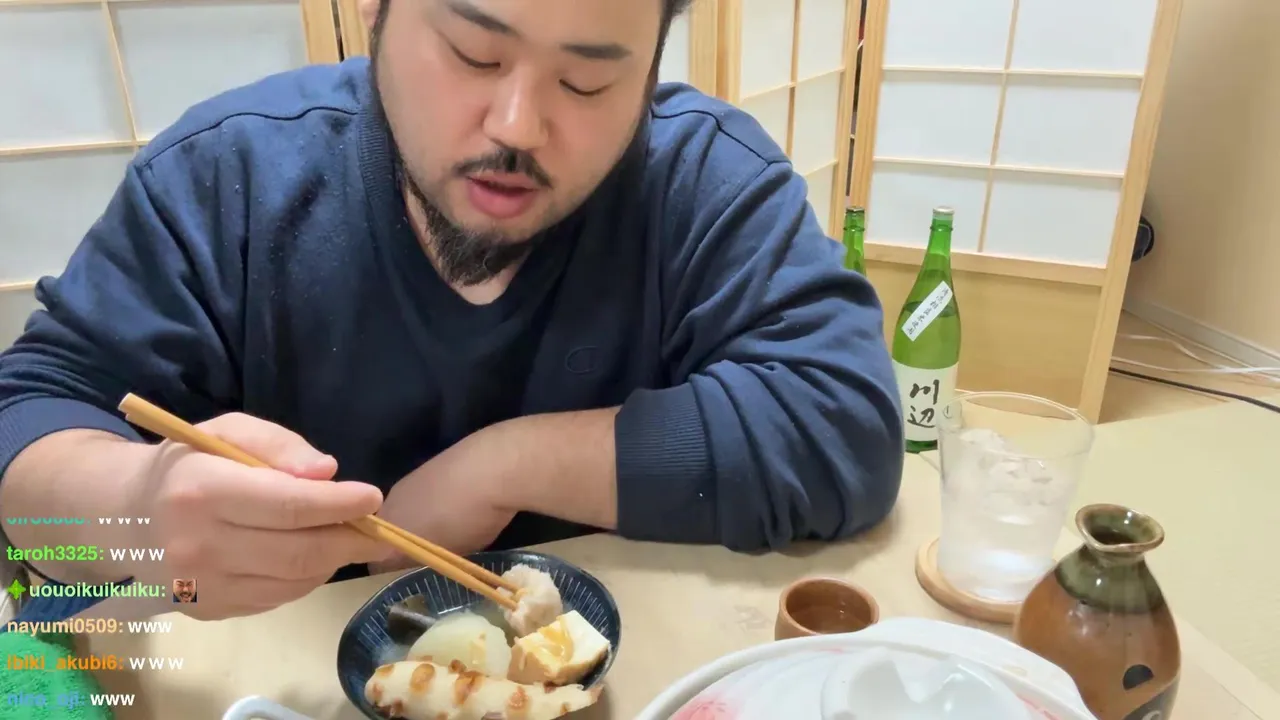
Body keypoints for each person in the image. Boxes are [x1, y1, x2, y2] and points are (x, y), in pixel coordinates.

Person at [0, 0, 904, 622]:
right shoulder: (227, 177)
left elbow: (846, 428)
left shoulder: (699, 179)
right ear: (375, 10)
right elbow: (30, 416)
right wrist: (134, 512)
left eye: (587, 83)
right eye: (475, 54)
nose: (517, 124)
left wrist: (503, 466)